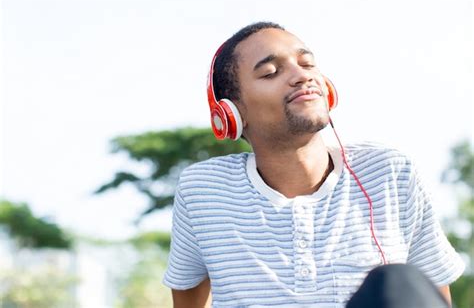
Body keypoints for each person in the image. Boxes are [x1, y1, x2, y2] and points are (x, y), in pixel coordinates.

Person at [163, 22, 465, 307]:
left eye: (307, 64)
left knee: (397, 280)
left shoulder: (388, 171)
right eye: (270, 72)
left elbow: (431, 296)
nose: (302, 75)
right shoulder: (203, 190)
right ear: (231, 113)